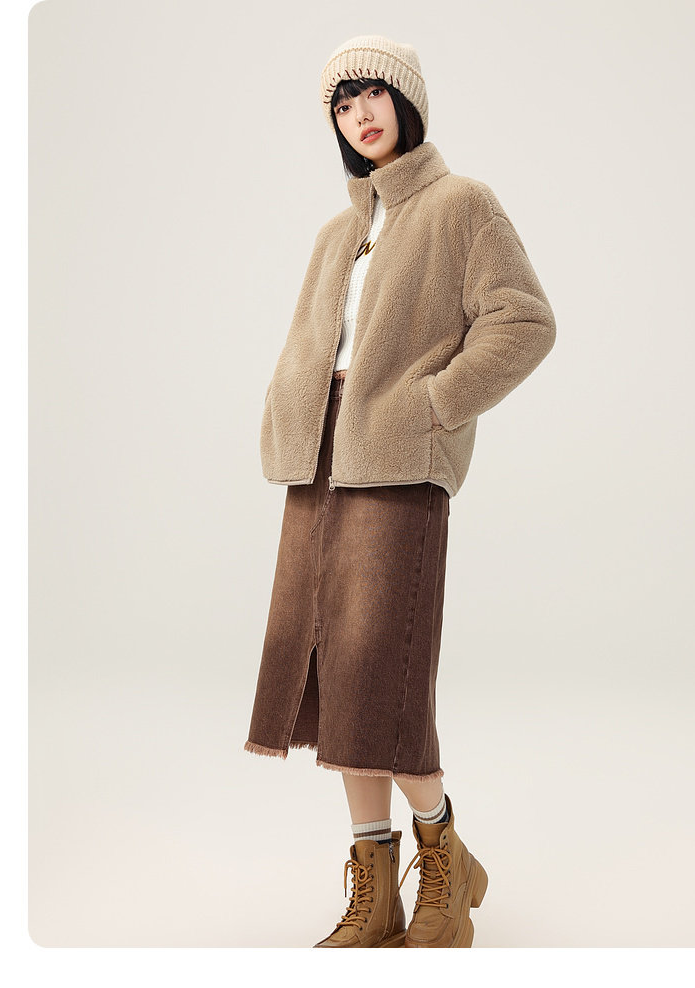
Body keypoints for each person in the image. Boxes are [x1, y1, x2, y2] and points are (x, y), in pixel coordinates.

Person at [243, 34, 557, 948]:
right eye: (342, 106)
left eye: (372, 95)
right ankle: (375, 886)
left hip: (399, 459)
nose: (359, 116)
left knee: (385, 674)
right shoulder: (336, 233)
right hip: (319, 460)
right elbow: (312, 344)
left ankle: (444, 854)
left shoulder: (463, 204)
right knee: (336, 675)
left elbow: (524, 321)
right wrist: (286, 412)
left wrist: (435, 405)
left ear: (406, 101)